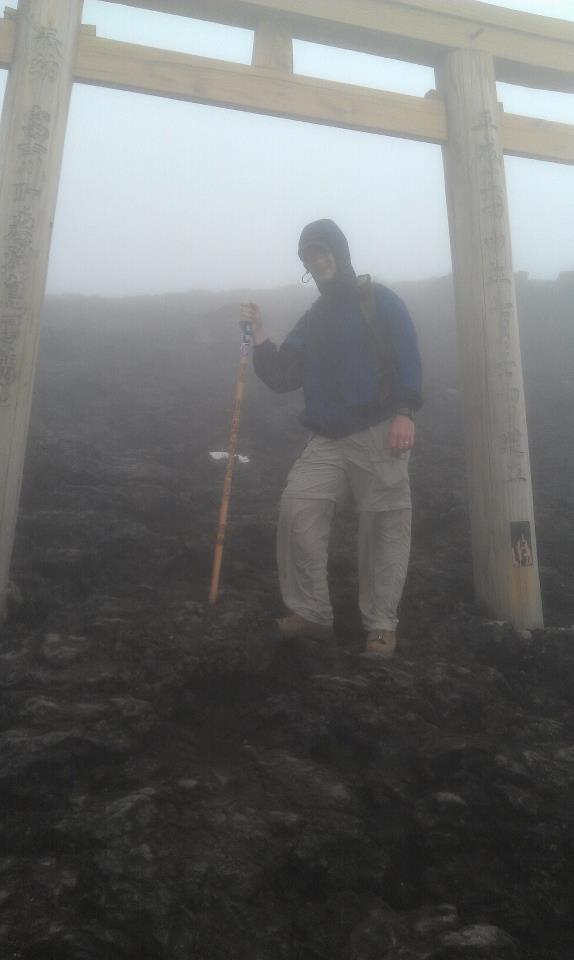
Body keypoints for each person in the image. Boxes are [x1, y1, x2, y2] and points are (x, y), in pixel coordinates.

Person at [243, 220, 422, 658]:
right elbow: (284, 375)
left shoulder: (379, 300)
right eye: (309, 257)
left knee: (384, 526)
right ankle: (312, 614)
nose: (318, 261)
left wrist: (405, 413)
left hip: (380, 430)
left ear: (340, 252)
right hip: (327, 438)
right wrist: (261, 334)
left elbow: (408, 357)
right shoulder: (315, 317)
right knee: (297, 506)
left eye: (323, 252)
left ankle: (381, 626)